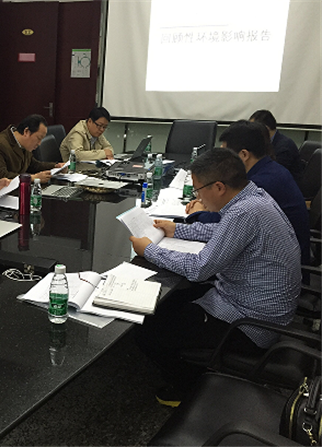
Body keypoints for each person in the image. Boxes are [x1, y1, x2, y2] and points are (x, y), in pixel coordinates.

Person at [130, 148, 301, 407]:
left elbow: (199, 268)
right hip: (253, 305)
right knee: (169, 302)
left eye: (199, 190)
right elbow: (223, 231)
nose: (198, 197)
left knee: (147, 330)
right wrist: (178, 229)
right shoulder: (254, 197)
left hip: (250, 324)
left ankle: (185, 387)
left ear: (219, 187)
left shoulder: (244, 212)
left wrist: (149, 250)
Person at [185, 120, 310, 265]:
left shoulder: (261, 183)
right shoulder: (269, 170)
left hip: (273, 264)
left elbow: (226, 223)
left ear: (244, 154)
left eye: (225, 154)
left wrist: (199, 213)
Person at [0, 114, 65, 183]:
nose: (39, 143)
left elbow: (33, 165)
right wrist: (31, 178)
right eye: (39, 138)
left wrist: (55, 167)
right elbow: (0, 175)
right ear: (26, 132)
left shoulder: (24, 143)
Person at [249, 109, 303, 181]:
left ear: (265, 129)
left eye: (253, 130)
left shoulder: (284, 147)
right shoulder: (266, 142)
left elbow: (272, 174)